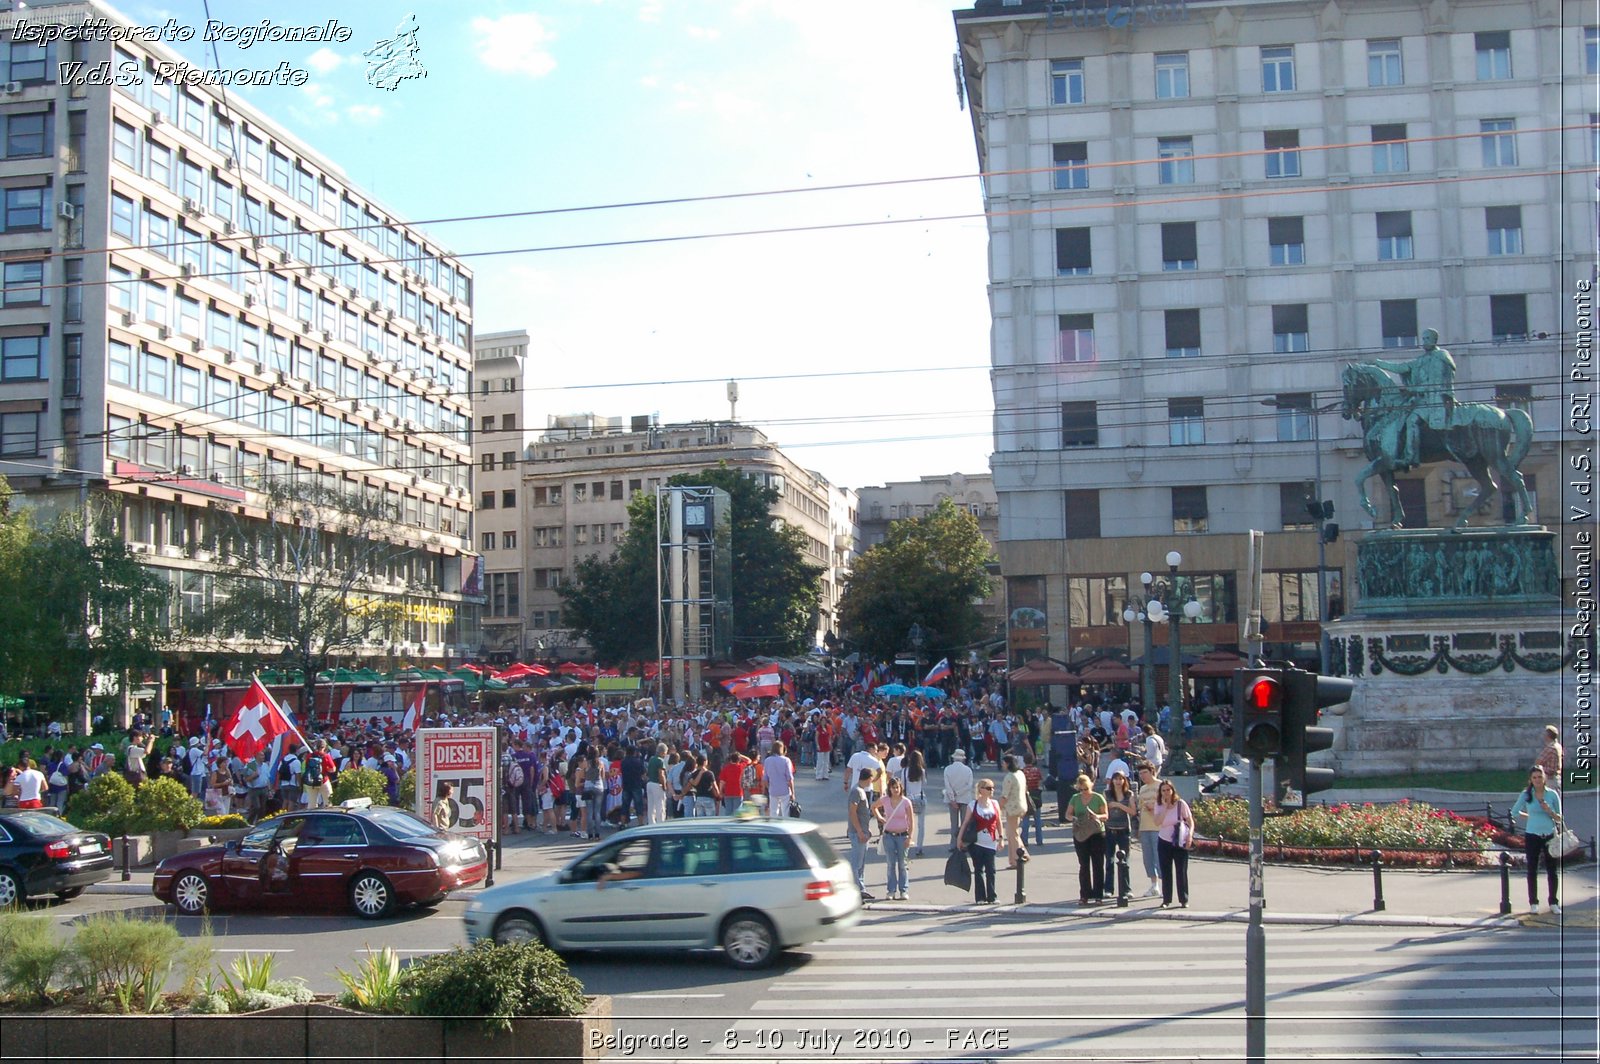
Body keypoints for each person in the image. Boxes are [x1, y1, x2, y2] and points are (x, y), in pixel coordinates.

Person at [1369, 327, 1457, 470]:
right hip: (1423, 400)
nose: (1424, 342)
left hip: (1435, 400)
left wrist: (1413, 389)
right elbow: (1401, 368)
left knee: (1412, 420)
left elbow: (1434, 384)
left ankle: (1411, 457)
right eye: (1423, 339)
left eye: (1427, 339)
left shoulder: (1441, 357)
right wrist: (1378, 363)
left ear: (1435, 340)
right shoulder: (1421, 360)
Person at [1510, 766, 1563, 915]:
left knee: (1552, 870)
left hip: (1549, 835)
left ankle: (1553, 902)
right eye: (1534, 778)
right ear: (1530, 780)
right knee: (1532, 870)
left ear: (1544, 778)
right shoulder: (1527, 795)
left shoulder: (1552, 795)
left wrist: (1549, 811)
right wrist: (1530, 817)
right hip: (1532, 835)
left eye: (1540, 777)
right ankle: (1533, 903)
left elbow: (1559, 818)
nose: (1537, 780)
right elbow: (1514, 812)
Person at [956, 778, 1002, 904]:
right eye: (988, 788)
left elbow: (998, 822)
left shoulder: (995, 804)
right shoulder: (973, 805)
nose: (991, 790)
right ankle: (980, 897)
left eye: (992, 788)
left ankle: (992, 896)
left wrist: (1001, 838)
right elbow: (965, 823)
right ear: (981, 790)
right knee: (978, 869)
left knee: (991, 870)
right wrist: (959, 839)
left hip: (991, 841)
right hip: (976, 842)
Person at [1065, 774, 1107, 905]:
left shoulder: (1098, 797)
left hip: (1096, 833)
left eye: (1086, 789)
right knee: (1084, 865)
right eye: (1081, 789)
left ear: (1091, 786)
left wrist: (1096, 816)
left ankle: (1099, 895)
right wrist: (1074, 818)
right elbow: (1067, 814)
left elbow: (1106, 815)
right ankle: (1084, 895)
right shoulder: (1075, 798)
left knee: (1098, 864)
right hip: (1081, 834)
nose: (1084, 792)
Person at [1153, 779, 1195, 908]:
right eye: (1163, 790)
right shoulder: (1159, 805)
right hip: (1164, 840)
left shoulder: (1180, 804)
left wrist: (1190, 836)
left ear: (1172, 790)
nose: (1166, 793)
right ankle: (1166, 900)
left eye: (1168, 790)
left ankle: (1183, 899)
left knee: (1181, 870)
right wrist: (1165, 807)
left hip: (1179, 840)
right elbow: (1157, 822)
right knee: (1166, 871)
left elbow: (1190, 821)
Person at [874, 776, 916, 901]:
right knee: (891, 864)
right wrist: (880, 818)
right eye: (893, 788)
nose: (896, 790)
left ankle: (904, 890)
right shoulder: (885, 800)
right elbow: (873, 807)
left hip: (902, 835)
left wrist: (910, 837)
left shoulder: (905, 802)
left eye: (897, 787)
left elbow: (911, 820)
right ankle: (891, 890)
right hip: (889, 835)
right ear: (890, 789)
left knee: (903, 864)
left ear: (901, 788)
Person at [1103, 770, 1136, 902]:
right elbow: (1103, 810)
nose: (1118, 782)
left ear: (1124, 781)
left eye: (1120, 779)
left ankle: (1126, 889)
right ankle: (1108, 889)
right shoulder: (1107, 794)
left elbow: (1133, 812)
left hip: (1123, 831)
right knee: (1109, 861)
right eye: (1115, 779)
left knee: (1125, 862)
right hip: (1110, 830)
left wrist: (1118, 805)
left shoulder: (1129, 794)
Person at [998, 755, 1031, 870]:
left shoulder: (1009, 777)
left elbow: (1005, 795)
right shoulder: (1020, 774)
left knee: (1012, 834)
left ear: (1008, 764)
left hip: (1012, 808)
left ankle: (1019, 858)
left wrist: (998, 807)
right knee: (1013, 832)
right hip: (1021, 805)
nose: (1002, 764)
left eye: (1003, 762)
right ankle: (1015, 859)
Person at [1135, 763, 1163, 898]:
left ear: (1152, 771)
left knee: (1159, 856)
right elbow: (1140, 809)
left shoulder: (1160, 786)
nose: (1142, 776)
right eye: (1140, 774)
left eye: (1145, 772)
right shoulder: (1142, 789)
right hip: (1145, 826)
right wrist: (1139, 828)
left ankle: (1165, 885)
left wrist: (1155, 807)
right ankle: (1154, 885)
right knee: (1148, 858)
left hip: (1158, 827)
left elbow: (1168, 804)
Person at [848, 768, 876, 900]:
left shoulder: (861, 791)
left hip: (863, 831)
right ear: (868, 778)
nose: (872, 781)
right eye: (872, 778)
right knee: (856, 863)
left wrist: (866, 829)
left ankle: (861, 888)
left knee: (861, 863)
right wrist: (859, 831)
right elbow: (852, 812)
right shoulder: (856, 791)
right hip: (857, 832)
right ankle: (857, 890)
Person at [942, 747, 975, 850]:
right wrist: (959, 793)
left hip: (951, 800)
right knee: (965, 823)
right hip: (965, 799)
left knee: (954, 824)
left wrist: (952, 798)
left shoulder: (948, 769)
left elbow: (947, 786)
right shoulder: (968, 770)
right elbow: (969, 786)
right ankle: (964, 844)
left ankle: (953, 844)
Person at [905, 748, 929, 856]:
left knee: (907, 824)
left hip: (908, 799)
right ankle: (919, 847)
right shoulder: (922, 771)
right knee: (921, 825)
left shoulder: (905, 771)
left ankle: (906, 843)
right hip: (920, 797)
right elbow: (924, 784)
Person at [763, 740, 795, 818]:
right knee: (785, 811)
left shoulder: (767, 760)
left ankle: (774, 826)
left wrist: (769, 787)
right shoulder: (786, 760)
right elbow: (789, 778)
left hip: (773, 790)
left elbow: (765, 779)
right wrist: (793, 792)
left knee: (773, 812)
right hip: (784, 790)